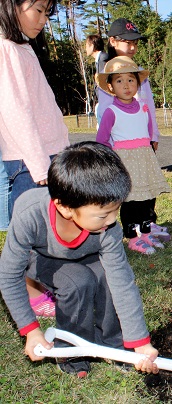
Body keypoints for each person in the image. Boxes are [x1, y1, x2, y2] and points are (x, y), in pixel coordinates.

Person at [0, 142, 159, 378]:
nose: (112, 220)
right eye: (103, 214)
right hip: (43, 258)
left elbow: (123, 283)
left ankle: (115, 346)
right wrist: (31, 330)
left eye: (115, 210)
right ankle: (73, 353)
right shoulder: (30, 214)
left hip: (88, 254)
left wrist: (140, 342)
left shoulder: (108, 228)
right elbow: (9, 276)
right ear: (65, 208)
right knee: (77, 281)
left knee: (107, 277)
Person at [0, 0, 71, 318]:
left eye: (47, 12)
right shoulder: (4, 47)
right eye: (38, 10)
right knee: (29, 230)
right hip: (30, 160)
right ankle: (29, 292)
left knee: (49, 226)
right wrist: (38, 161)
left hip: (48, 152)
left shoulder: (22, 46)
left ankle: (42, 284)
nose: (44, 19)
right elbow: (13, 110)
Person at [96, 56, 171, 254]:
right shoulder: (111, 112)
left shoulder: (143, 108)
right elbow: (101, 141)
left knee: (146, 199)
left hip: (144, 160)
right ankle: (131, 238)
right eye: (119, 81)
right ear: (110, 86)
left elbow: (146, 134)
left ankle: (146, 233)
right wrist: (113, 160)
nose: (126, 85)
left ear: (138, 83)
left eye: (131, 80)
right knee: (129, 201)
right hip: (125, 162)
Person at [96, 18, 161, 155]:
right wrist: (110, 147)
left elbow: (149, 106)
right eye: (128, 43)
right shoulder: (107, 74)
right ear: (113, 41)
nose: (132, 48)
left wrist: (153, 135)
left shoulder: (139, 72)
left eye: (135, 43)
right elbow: (104, 112)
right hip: (120, 146)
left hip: (142, 141)